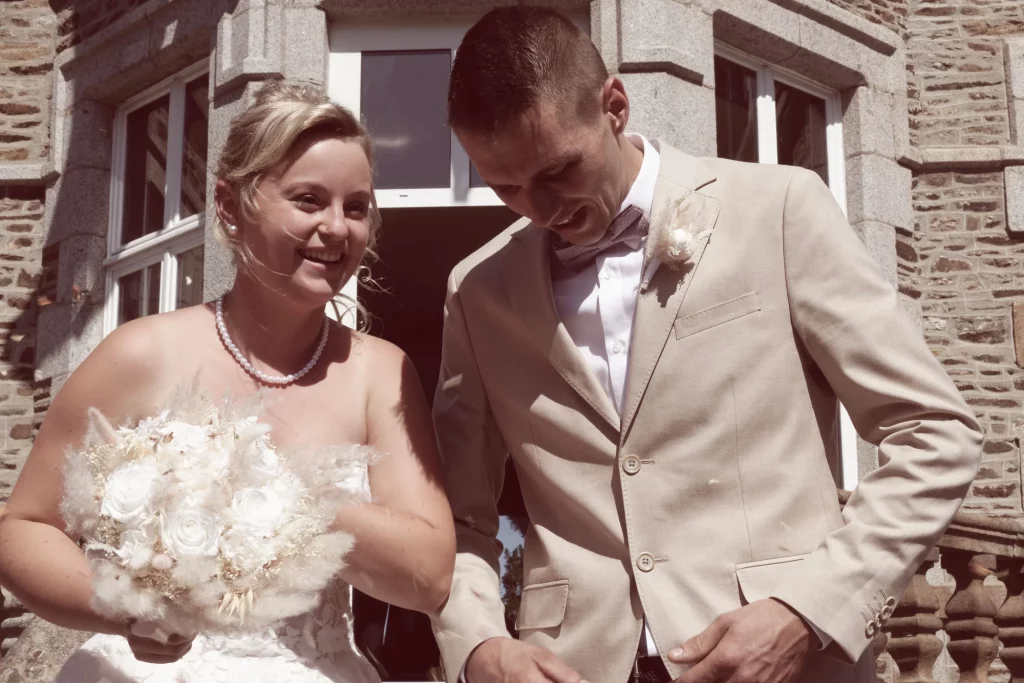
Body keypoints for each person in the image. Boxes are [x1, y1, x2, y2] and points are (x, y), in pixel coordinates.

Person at [429, 7, 983, 683]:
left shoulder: (777, 208)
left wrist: (807, 609)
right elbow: (457, 517)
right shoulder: (478, 290)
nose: (539, 209)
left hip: (786, 664)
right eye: (506, 186)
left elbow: (935, 433)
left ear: (615, 106)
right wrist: (480, 643)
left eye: (558, 170)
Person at [0, 81, 455, 683]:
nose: (337, 227)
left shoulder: (381, 371)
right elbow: (25, 530)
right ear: (228, 205)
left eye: (356, 207)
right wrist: (127, 613)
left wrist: (294, 490)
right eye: (308, 199)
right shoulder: (140, 354)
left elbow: (429, 575)